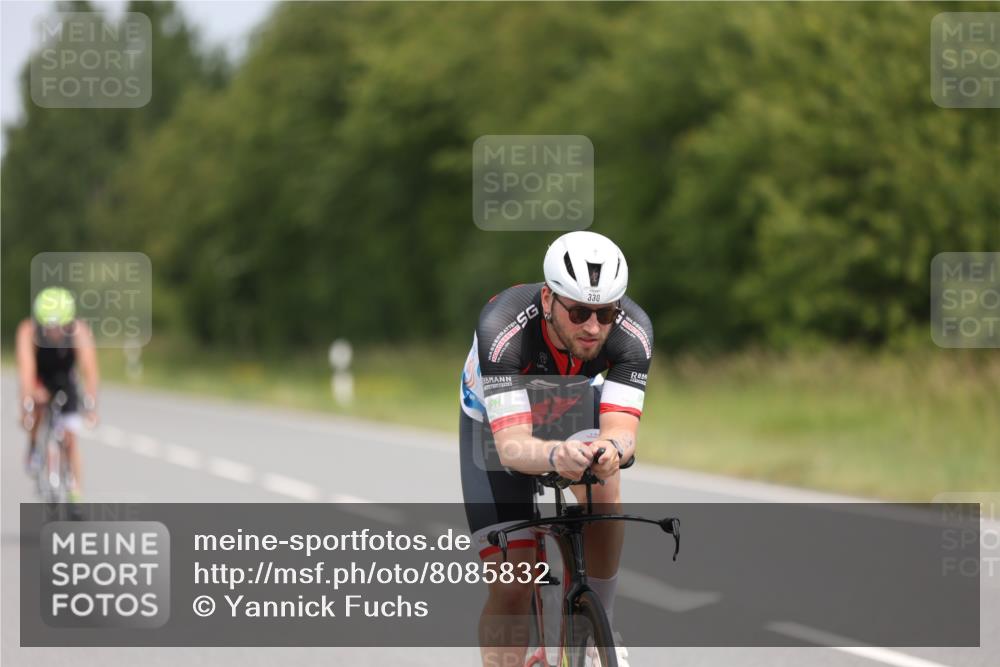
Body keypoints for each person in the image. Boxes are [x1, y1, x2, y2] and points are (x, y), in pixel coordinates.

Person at [460, 231, 654, 666]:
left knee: (604, 484)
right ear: (548, 300)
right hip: (494, 420)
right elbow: (511, 448)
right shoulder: (502, 326)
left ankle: (598, 621)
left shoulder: (633, 333)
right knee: (513, 583)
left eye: (605, 313)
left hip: (568, 402)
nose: (593, 327)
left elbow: (622, 432)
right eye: (580, 311)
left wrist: (608, 450)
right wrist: (554, 457)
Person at [16, 286, 100, 501]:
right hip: (40, 377)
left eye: (59, 326)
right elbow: (26, 371)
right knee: (35, 411)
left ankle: (75, 492)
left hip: (65, 380)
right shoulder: (28, 331)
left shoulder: (79, 331)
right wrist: (27, 403)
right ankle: (34, 446)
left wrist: (91, 406)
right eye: (48, 327)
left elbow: (89, 369)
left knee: (71, 437)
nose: (53, 332)